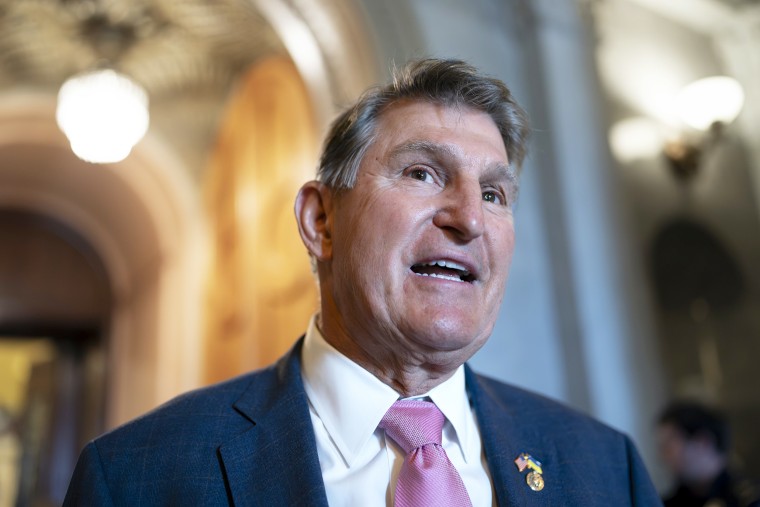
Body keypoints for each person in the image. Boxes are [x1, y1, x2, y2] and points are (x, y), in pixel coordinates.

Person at [64, 58, 661, 506]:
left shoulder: (606, 468)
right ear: (321, 222)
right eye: (424, 173)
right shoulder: (137, 477)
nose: (470, 217)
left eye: (493, 193)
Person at [658, 401, 760, 507]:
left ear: (703, 443)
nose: (662, 455)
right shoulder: (667, 503)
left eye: (669, 445)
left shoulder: (750, 499)